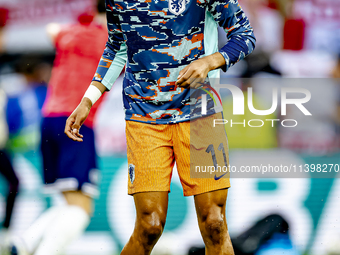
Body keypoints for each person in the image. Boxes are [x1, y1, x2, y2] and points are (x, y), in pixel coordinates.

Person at [66, 0, 255, 254]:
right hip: (145, 116)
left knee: (214, 222)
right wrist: (88, 99)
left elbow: (244, 34)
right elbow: (117, 46)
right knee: (149, 225)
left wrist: (211, 61)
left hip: (201, 110)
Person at [9, 1, 109, 255]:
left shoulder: (72, 33)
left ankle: (24, 243)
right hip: (76, 122)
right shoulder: (112, 39)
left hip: (49, 120)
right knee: (81, 208)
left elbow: (52, 29)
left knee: (67, 201)